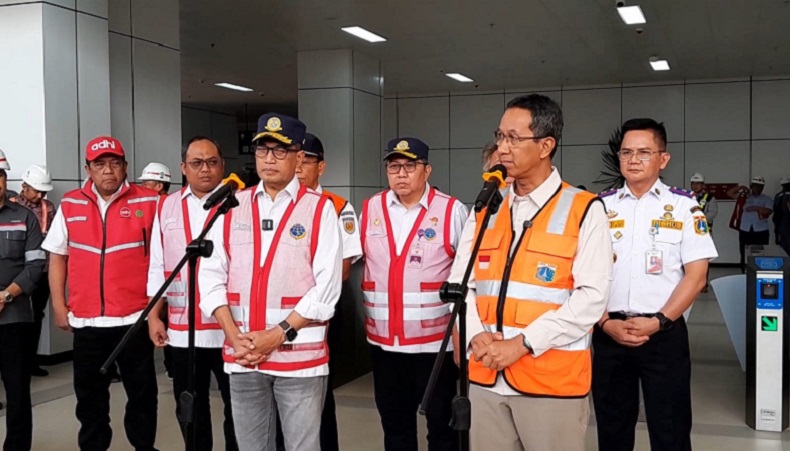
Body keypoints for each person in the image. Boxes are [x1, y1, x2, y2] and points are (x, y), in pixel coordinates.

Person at [450, 94, 612, 451]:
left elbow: (591, 299)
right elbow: (460, 285)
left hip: (551, 384)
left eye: (513, 138)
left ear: (545, 146)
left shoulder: (584, 210)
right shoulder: (486, 208)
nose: (502, 148)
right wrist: (476, 337)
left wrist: (522, 344)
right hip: (486, 379)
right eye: (499, 136)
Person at [199, 113, 343, 451]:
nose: (268, 159)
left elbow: (327, 287)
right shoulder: (233, 205)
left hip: (300, 359)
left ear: (298, 158)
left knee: (302, 447)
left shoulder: (320, 209)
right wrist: (235, 337)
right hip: (244, 355)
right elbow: (210, 275)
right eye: (262, 150)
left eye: (279, 151)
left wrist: (277, 335)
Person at [594, 118, 718, 451]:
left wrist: (659, 321)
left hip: (664, 333)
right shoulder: (599, 207)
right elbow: (583, 274)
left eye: (644, 152)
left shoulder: (683, 206)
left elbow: (697, 276)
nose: (633, 160)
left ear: (663, 159)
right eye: (626, 152)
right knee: (612, 426)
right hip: (609, 332)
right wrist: (605, 322)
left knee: (671, 427)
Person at [42, 136, 159, 451]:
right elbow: (57, 256)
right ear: (88, 169)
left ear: (125, 166)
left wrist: (155, 313)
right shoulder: (71, 203)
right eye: (100, 164)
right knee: (90, 401)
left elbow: (163, 261)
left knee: (143, 396)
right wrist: (58, 304)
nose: (108, 171)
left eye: (115, 163)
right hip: (87, 321)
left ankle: (143, 447)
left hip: (135, 318)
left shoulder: (149, 202)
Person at [360, 137, 468, 451]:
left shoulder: (451, 210)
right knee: (395, 427)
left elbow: (467, 279)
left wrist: (460, 338)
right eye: (394, 166)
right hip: (384, 344)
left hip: (436, 346)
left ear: (427, 170)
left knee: (442, 427)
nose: (401, 173)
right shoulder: (371, 208)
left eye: (410, 166)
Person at [146, 136, 238, 451]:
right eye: (197, 163)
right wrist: (153, 316)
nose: (205, 170)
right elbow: (158, 265)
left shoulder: (239, 204)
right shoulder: (167, 206)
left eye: (212, 162)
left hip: (232, 330)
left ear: (223, 165)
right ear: (183, 168)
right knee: (189, 409)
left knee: (236, 409)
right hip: (184, 331)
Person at [294, 132, 362, 451]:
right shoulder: (276, 204)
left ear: (320, 167)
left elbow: (344, 269)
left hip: (323, 313)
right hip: (277, 315)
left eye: (306, 160)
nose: (298, 166)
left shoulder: (337, 207)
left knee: (319, 392)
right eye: (294, 158)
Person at [0, 164, 45, 451]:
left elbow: (35, 265)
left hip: (14, 318)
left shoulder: (24, 218)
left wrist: (5, 296)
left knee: (17, 391)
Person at [9, 165, 55, 378]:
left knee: (35, 316)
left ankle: (30, 362)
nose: (39, 195)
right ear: (24, 186)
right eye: (36, 190)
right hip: (14, 273)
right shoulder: (9, 207)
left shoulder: (49, 208)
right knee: (12, 319)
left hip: (41, 271)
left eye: (43, 191)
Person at [727, 176, 772, 273]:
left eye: (761, 187)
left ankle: (759, 272)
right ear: (751, 186)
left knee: (760, 252)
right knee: (744, 253)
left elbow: (768, 211)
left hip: (761, 230)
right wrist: (741, 187)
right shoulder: (744, 197)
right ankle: (743, 272)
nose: (758, 189)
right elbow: (729, 193)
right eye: (756, 186)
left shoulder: (767, 198)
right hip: (745, 229)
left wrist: (755, 208)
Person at [689, 172, 718, 292]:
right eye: (693, 183)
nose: (695, 186)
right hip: (688, 232)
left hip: (703, 232)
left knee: (703, 259)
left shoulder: (709, 198)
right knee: (688, 258)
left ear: (703, 185)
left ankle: (703, 284)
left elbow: (712, 214)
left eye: (698, 184)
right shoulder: (686, 197)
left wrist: (697, 219)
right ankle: (689, 284)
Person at [773, 176, 790, 256]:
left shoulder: (778, 196)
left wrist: (776, 233)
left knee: (784, 248)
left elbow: (775, 215)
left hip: (781, 225)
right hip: (787, 224)